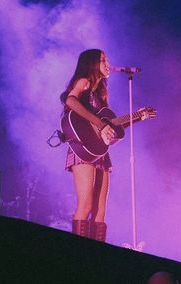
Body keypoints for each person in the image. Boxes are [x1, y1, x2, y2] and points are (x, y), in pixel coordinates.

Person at [60, 49, 115, 242]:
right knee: (86, 204)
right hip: (82, 148)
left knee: (100, 210)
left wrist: (110, 132)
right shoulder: (84, 82)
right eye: (102, 60)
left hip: (100, 151)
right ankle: (78, 252)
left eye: (106, 60)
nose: (107, 63)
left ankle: (97, 254)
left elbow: (106, 127)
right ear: (92, 64)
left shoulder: (101, 94)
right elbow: (70, 100)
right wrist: (100, 124)